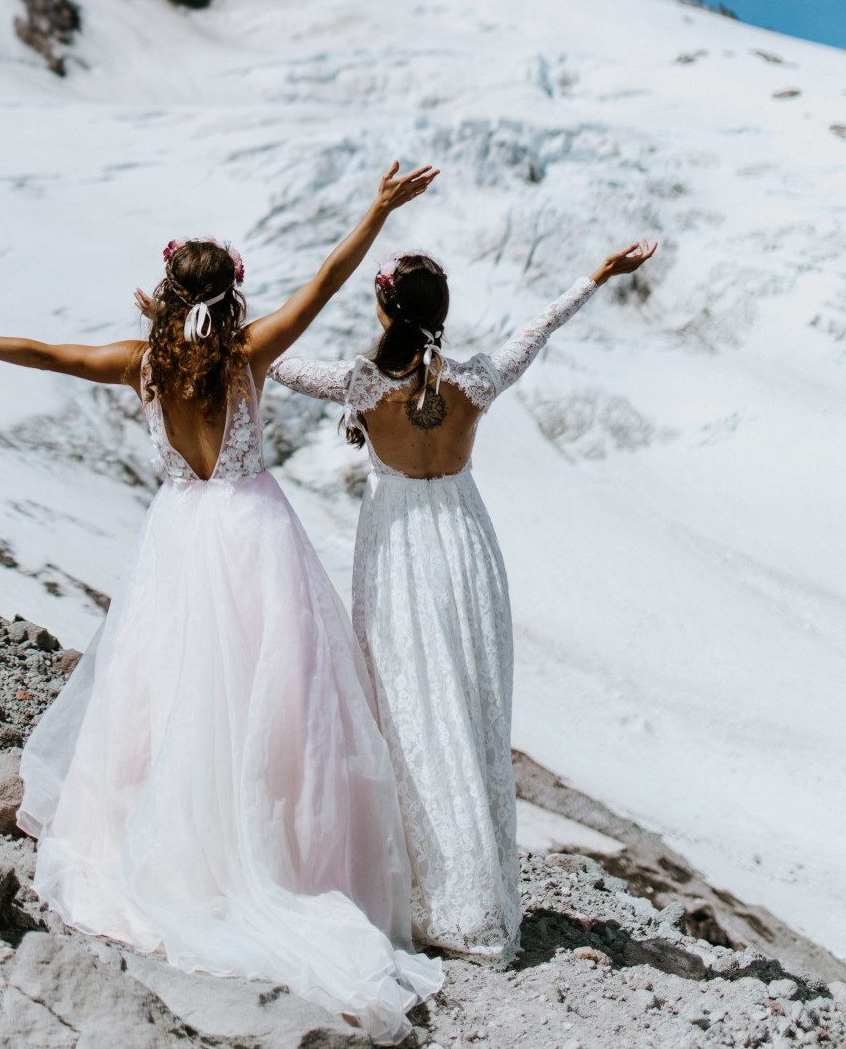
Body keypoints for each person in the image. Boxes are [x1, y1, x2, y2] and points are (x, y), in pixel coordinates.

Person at [0, 163, 445, 1041]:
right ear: (230, 295)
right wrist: (377, 209)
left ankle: (161, 849)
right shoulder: (248, 357)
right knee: (279, 705)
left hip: (179, 537)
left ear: (164, 293)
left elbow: (46, 353)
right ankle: (278, 864)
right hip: (254, 533)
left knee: (162, 695)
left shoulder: (139, 367)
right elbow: (330, 283)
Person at [270, 237, 656, 966]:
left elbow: (278, 361)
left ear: (385, 308)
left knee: (412, 712)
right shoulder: (477, 381)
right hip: (467, 547)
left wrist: (219, 320)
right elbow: (539, 327)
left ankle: (424, 888)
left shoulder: (361, 386)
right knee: (474, 710)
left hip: (399, 552)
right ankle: (477, 896)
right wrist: (596, 274)